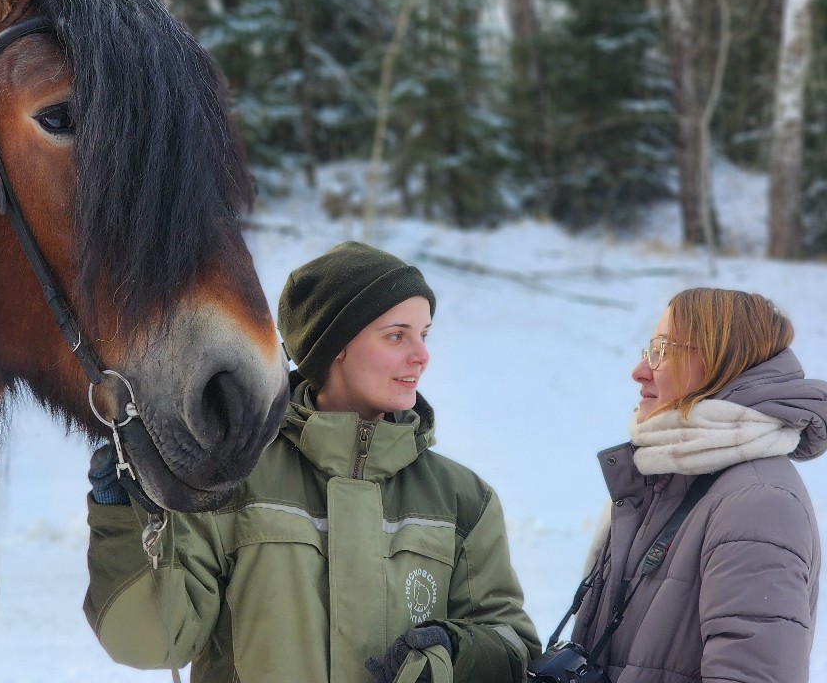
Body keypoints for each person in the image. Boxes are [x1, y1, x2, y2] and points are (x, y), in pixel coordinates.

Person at [84, 241, 540, 683]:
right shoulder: (232, 479)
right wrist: (124, 513)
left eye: (424, 335)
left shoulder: (462, 500)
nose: (422, 356)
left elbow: (513, 646)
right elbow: (151, 642)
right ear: (335, 345)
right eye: (396, 336)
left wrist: (453, 651)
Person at [565, 288, 827, 683]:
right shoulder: (669, 479)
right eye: (649, 350)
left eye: (662, 350)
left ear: (722, 364)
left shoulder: (758, 503)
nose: (640, 370)